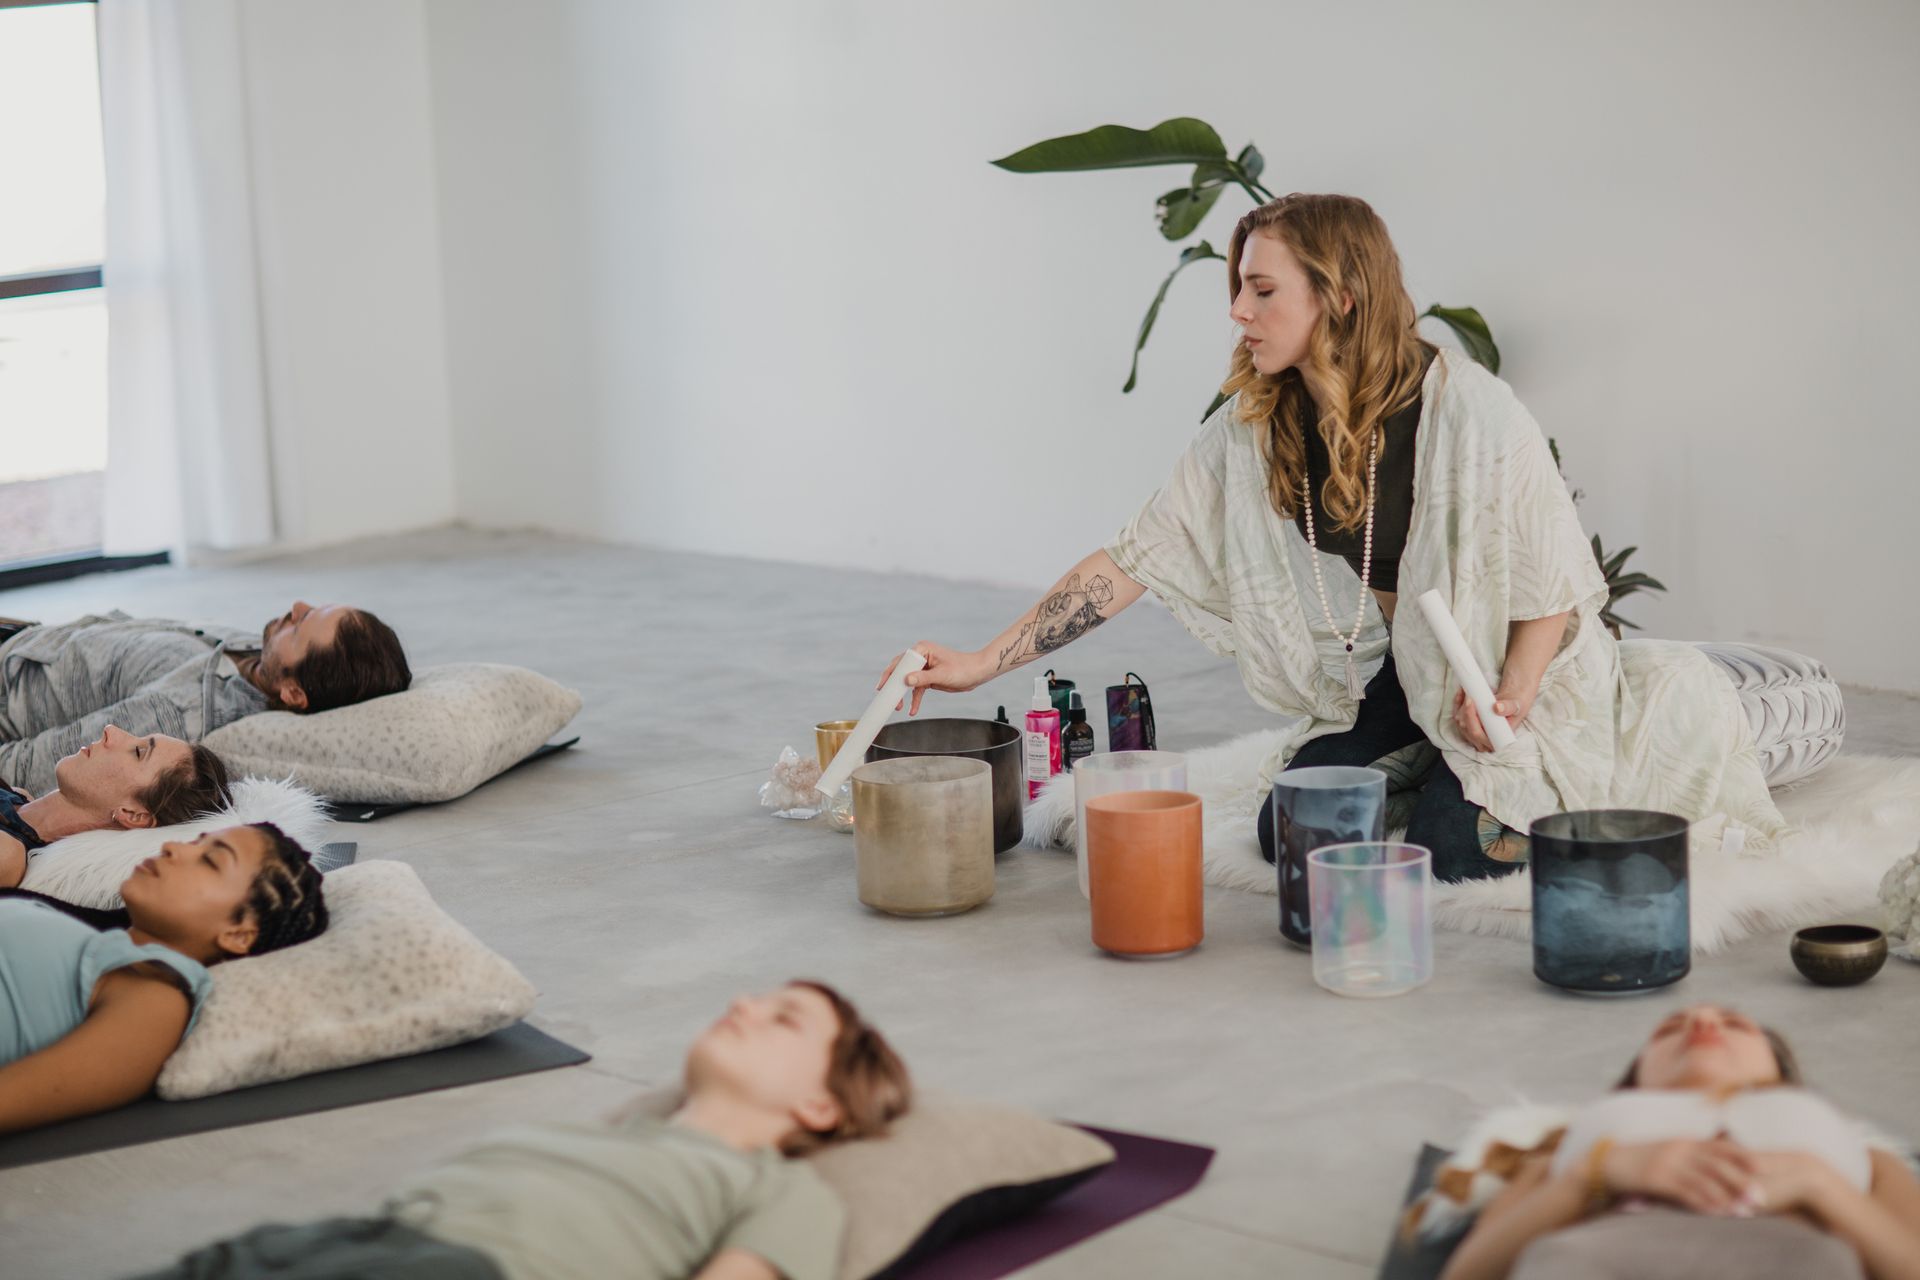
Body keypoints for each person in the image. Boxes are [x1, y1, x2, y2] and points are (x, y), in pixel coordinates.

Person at [878, 192, 1785, 881]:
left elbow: (1549, 580)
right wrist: (980, 663)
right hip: (1405, 671)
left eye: (1263, 289)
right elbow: (1134, 557)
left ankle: (1482, 778)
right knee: (1293, 833)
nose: (1239, 310)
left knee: (1456, 848)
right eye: (1240, 287)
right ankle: (1423, 761)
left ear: (1341, 296)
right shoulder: (1256, 427)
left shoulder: (1472, 412)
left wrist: (1509, 696)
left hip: (1510, 672)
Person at [133, 980, 912, 1280]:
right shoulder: (616, 1140)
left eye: (783, 1019)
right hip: (342, 1241)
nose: (743, 1005)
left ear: (822, 1107)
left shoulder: (780, 1190)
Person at [1438, 1004, 1920, 1280]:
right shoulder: (1571, 1157)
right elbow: (1467, 1274)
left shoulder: (1866, 1160)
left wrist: (1819, 1184)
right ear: (1636, 1081)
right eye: (1671, 1028)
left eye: (1735, 1024)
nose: (1702, 1024)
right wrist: (1594, 1174)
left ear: (1779, 1072)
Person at [0, 822, 328, 1133]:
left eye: (210, 861)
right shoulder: (98, 946)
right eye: (194, 843)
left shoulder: (159, 998)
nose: (172, 846)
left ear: (238, 933)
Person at [0, 601, 411, 797]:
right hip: (28, 635)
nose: (297, 607)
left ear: (293, 693)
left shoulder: (181, 711)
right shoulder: (259, 652)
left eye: (300, 626)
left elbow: (27, 767)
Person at [0, 722, 232, 889]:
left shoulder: (8, 855)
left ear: (133, 814)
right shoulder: (17, 798)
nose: (110, 730)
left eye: (138, 752)